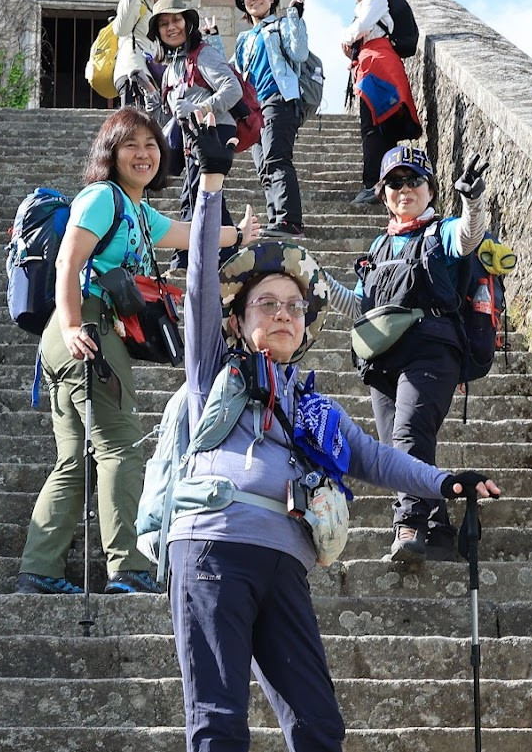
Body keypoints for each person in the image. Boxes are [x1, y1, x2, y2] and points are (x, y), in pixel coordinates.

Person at [170, 108, 502, 751]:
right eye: (266, 303)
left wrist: (444, 484)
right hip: (214, 547)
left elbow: (375, 458)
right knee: (218, 723)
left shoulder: (315, 406)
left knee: (319, 726)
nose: (285, 314)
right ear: (237, 320)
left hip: (285, 560)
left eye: (294, 306)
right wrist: (211, 183)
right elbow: (202, 284)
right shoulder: (214, 368)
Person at [16, 106, 256, 596]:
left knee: (75, 460)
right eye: (131, 145)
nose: (143, 154)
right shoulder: (101, 197)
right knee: (121, 447)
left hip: (73, 335)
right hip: (87, 325)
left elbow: (190, 233)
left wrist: (239, 234)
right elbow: (69, 259)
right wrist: (73, 323)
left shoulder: (137, 211)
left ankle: (39, 570)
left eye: (150, 145)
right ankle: (127, 568)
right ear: (112, 153)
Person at [323, 146, 489, 563]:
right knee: (394, 446)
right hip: (383, 359)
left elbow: (469, 238)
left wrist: (472, 200)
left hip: (433, 348)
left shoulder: (442, 231)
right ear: (383, 193)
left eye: (414, 180)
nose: (405, 189)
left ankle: (409, 522)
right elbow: (360, 307)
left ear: (430, 189)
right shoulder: (378, 246)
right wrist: (317, 282)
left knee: (408, 436)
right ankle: (437, 530)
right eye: (394, 182)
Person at [147, 0, 243, 268]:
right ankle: (228, 256)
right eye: (164, 23)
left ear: (188, 23)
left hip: (213, 132)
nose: (171, 27)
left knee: (196, 193)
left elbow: (232, 89)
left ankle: (187, 258)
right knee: (206, 195)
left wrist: (198, 108)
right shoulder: (171, 66)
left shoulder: (204, 53)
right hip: (192, 134)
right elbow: (171, 112)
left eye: (176, 19)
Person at [334, 0, 421, 205]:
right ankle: (382, 183)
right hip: (375, 63)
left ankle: (373, 184)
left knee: (372, 126)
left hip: (377, 64)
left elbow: (360, 28)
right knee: (380, 125)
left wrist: (345, 36)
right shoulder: (365, 3)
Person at [231, 0, 309, 239]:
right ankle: (276, 217)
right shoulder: (244, 39)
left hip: (279, 99)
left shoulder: (281, 25)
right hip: (253, 108)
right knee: (263, 165)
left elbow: (299, 52)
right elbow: (230, 71)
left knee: (277, 158)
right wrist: (213, 38)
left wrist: (295, 15)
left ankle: (290, 220)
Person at [112, 0, 176, 107]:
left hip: (152, 75)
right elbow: (121, 29)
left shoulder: (161, 11)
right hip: (133, 73)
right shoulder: (134, 1)